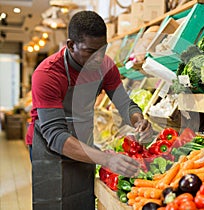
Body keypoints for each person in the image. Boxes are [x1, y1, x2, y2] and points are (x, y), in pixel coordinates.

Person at [26, 10, 152, 210]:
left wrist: (138, 120)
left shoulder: (106, 66)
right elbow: (57, 136)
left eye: (102, 50)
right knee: (53, 203)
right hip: (48, 146)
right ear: (70, 45)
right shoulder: (47, 74)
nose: (98, 58)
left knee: (81, 200)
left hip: (82, 141)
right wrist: (107, 158)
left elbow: (124, 103)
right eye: (90, 51)